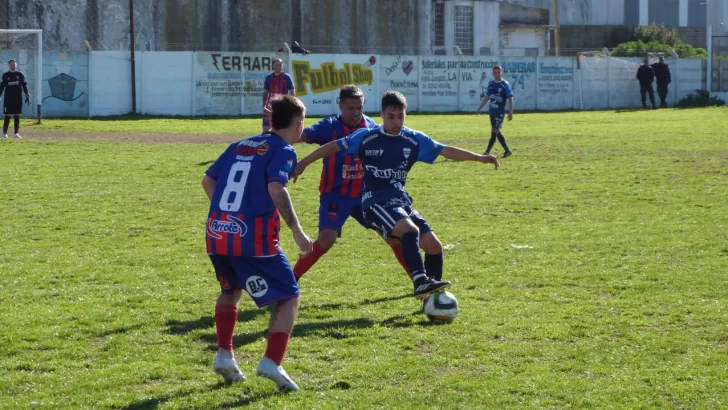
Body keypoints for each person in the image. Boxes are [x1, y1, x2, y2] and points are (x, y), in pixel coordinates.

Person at [294, 91, 500, 300]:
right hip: (366, 200)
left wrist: (480, 158)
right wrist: (302, 163)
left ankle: (431, 296)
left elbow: (445, 150)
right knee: (404, 231)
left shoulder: (412, 139)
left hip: (396, 200)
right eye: (391, 116)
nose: (396, 121)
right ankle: (419, 281)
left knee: (431, 246)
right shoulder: (366, 136)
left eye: (400, 116)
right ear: (382, 115)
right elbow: (332, 145)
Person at [202, 95, 312, 391]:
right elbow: (276, 187)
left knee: (230, 289)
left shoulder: (239, 144)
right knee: (289, 296)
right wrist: (297, 230)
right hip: (253, 239)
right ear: (299, 125)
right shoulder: (285, 150)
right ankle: (271, 362)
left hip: (218, 233)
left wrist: (228, 212)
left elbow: (207, 181)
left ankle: (225, 355)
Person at [293, 85, 413, 281]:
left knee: (393, 236)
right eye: (350, 108)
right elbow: (301, 135)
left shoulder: (372, 127)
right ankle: (291, 279)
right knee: (327, 238)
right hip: (336, 194)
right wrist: (280, 133)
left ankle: (420, 281)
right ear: (340, 106)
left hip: (366, 195)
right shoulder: (330, 126)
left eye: (359, 108)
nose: (356, 113)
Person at [475, 65, 514, 158]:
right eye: (495, 72)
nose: (497, 74)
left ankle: (487, 152)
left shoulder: (505, 84)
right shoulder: (491, 83)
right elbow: (487, 97)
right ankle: (507, 150)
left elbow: (510, 98)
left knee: (494, 131)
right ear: (492, 73)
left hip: (499, 112)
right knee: (497, 132)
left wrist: (511, 112)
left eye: (499, 72)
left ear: (502, 73)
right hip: (492, 111)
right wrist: (479, 108)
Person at [0, 59, 30, 139]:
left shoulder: (20, 75)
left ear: (16, 65)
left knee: (17, 116)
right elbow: (1, 86)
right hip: (8, 99)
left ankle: (16, 133)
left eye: (14, 64)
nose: (13, 65)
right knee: (7, 116)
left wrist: (27, 94)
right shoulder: (5, 75)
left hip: (17, 99)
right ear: (9, 65)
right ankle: (4, 134)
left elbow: (24, 85)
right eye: (11, 64)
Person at [262, 58, 295, 133]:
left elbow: (292, 91)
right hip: (270, 107)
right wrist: (264, 106)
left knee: (282, 130)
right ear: (273, 66)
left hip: (282, 107)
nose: (278, 67)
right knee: (265, 130)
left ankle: (280, 144)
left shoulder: (287, 77)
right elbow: (265, 93)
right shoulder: (269, 78)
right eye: (276, 65)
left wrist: (291, 104)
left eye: (280, 65)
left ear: (282, 66)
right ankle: (265, 144)